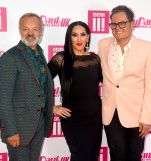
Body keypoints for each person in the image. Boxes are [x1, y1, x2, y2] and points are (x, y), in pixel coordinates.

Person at [98, 5, 151, 161]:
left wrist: (146, 117)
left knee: (134, 155)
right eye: (113, 24)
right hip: (111, 112)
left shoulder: (147, 48)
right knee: (117, 155)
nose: (117, 28)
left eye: (122, 23)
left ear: (133, 24)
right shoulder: (103, 45)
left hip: (137, 114)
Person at [0, 13, 54, 161]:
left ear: (41, 31)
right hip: (19, 127)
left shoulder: (40, 55)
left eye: (35, 29)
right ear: (19, 30)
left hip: (39, 123)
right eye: (26, 29)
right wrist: (10, 131)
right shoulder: (10, 57)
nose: (30, 33)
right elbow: (4, 98)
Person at [48, 21, 102, 161]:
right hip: (72, 118)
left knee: (91, 156)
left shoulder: (95, 59)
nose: (79, 39)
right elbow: (39, 83)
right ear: (69, 37)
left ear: (88, 37)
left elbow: (111, 84)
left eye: (83, 35)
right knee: (80, 156)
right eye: (75, 35)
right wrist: (51, 107)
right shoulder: (61, 58)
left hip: (95, 117)